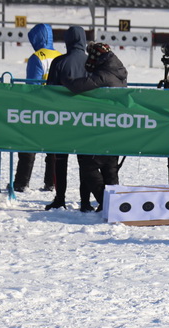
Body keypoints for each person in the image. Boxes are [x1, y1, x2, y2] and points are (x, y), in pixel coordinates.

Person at [64, 42, 128, 212]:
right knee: (110, 169)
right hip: (113, 129)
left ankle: (108, 204)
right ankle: (107, 202)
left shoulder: (104, 75)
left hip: (98, 131)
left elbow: (78, 86)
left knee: (88, 166)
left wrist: (64, 78)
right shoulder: (119, 73)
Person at [43, 26, 88, 211]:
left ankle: (60, 197)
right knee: (84, 162)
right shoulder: (91, 63)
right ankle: (85, 202)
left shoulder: (59, 62)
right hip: (86, 120)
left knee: (61, 161)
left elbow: (49, 90)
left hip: (62, 119)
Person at [14, 24, 61, 193]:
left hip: (37, 107)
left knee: (27, 146)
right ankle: (52, 183)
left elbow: (32, 86)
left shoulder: (37, 57)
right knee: (54, 149)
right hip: (57, 108)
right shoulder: (60, 56)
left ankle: (21, 182)